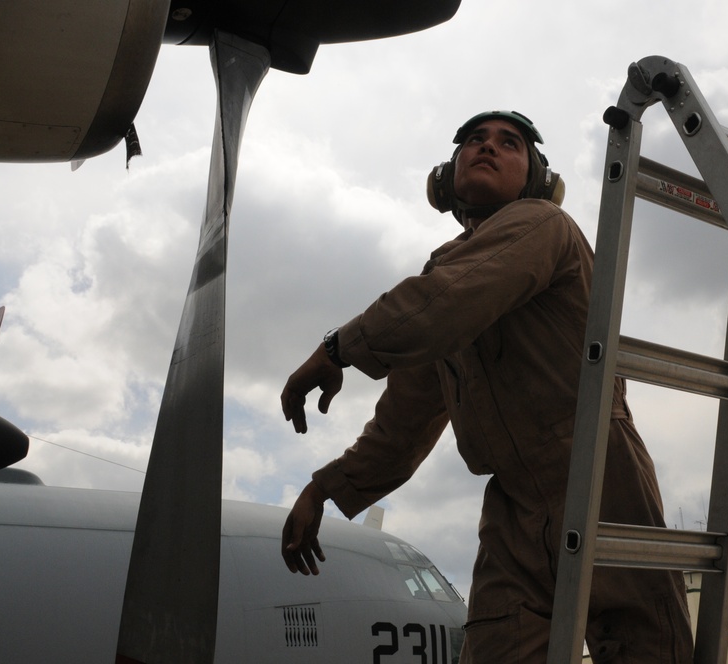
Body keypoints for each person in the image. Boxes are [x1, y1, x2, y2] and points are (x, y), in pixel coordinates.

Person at [280, 110, 693, 663]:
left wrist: (336, 349)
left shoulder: (544, 226)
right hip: (513, 509)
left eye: (509, 143)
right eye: (474, 140)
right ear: (447, 176)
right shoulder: (442, 276)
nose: (487, 148)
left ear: (537, 178)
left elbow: (440, 307)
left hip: (599, 477)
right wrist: (324, 487)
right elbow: (403, 424)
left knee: (645, 649)